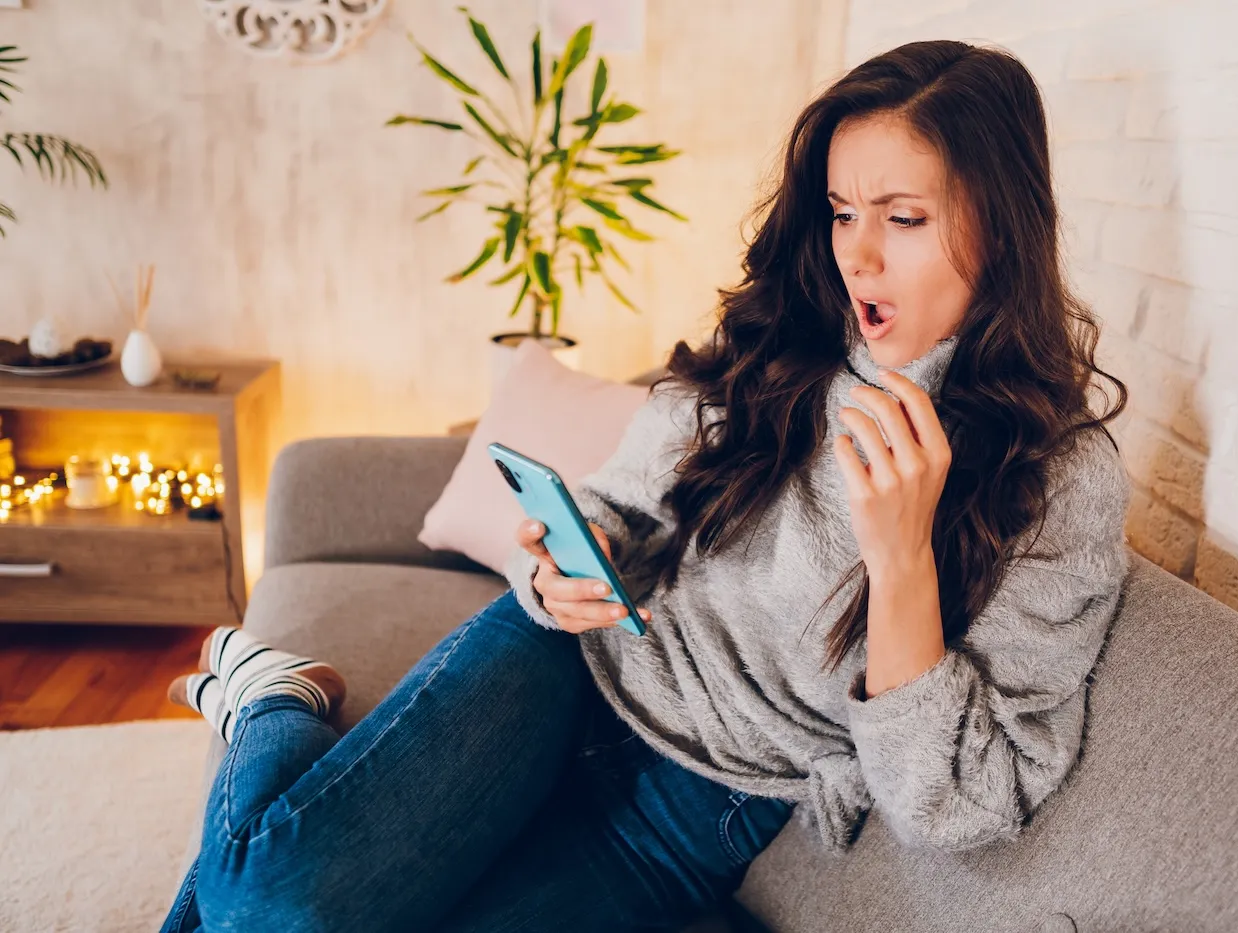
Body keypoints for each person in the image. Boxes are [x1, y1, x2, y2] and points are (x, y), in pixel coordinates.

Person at [159, 38, 1130, 933]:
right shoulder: (782, 344)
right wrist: (559, 557)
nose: (855, 254)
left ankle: (263, 702)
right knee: (273, 903)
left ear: (999, 228)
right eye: (840, 212)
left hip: (692, 810)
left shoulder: (1059, 483)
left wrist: (899, 558)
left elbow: (958, 806)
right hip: (566, 668)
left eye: (902, 218)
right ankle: (276, 704)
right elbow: (618, 503)